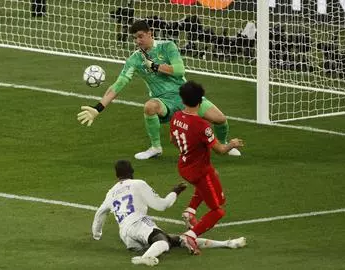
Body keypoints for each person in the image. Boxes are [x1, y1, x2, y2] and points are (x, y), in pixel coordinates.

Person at [77, 20, 241, 160]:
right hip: (164, 101)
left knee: (220, 119)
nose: (138, 41)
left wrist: (155, 66)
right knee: (150, 106)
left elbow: (179, 70)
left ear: (150, 33)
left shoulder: (168, 47)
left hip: (186, 97)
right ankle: (155, 148)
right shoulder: (134, 60)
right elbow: (118, 85)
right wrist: (98, 108)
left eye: (141, 36)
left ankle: (224, 143)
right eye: (135, 38)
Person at [92, 160, 246, 266]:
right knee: (162, 242)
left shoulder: (111, 192)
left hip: (125, 235)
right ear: (132, 171)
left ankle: (228, 244)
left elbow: (100, 214)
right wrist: (175, 192)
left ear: (116, 175)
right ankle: (145, 258)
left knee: (179, 240)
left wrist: (96, 234)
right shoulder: (138, 183)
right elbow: (161, 206)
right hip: (139, 224)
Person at [169, 81, 244, 255]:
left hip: (184, 165)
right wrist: (231, 144)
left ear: (183, 99)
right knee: (218, 210)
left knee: (213, 173)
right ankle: (190, 235)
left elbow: (173, 140)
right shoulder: (203, 126)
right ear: (201, 100)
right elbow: (220, 150)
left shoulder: (176, 117)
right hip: (198, 172)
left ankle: (190, 211)